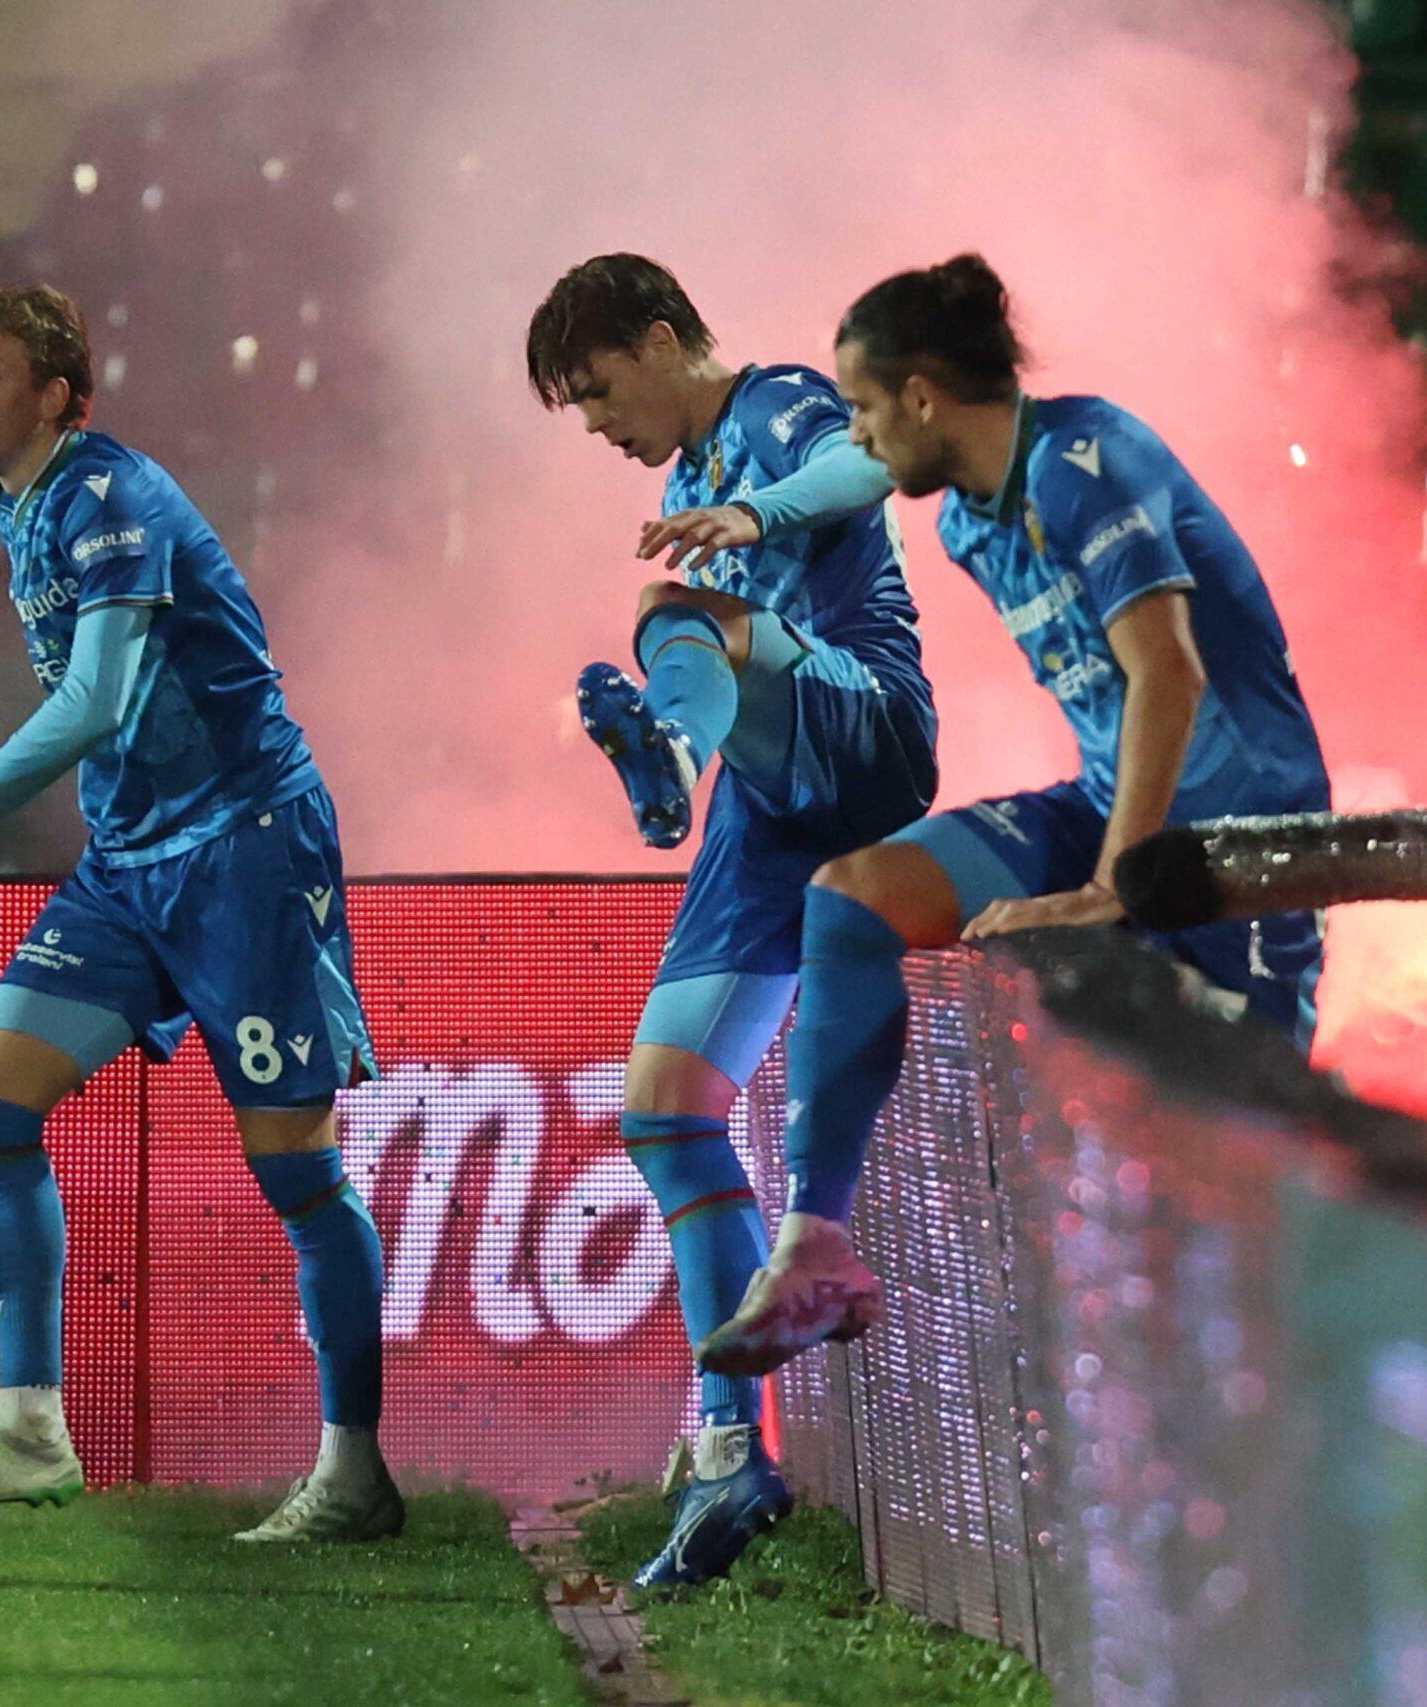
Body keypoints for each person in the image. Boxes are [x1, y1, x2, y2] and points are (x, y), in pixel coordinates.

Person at [700, 254, 1331, 1378]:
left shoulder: (1088, 459)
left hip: (1241, 841)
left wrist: (1110, 883)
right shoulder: (965, 528)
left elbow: (1166, 674)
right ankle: (816, 1251)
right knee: (847, 899)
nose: (854, 439)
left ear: (923, 397)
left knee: (1239, 1188)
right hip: (1115, 813)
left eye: (860, 408)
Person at [0, 283, 399, 1542]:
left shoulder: (112, 499)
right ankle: (32, 1434)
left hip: (246, 847)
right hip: (133, 856)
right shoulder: (23, 503)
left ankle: (356, 1471)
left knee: (293, 1169)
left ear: (55, 394)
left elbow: (99, 699)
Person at [526, 254, 938, 1586]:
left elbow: (866, 474)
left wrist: (755, 516)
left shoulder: (776, 407)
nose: (597, 424)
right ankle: (727, 1455)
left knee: (669, 609)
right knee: (664, 1104)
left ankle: (659, 745)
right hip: (772, 798)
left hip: (863, 729)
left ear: (660, 340)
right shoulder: (682, 488)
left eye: (596, 391)